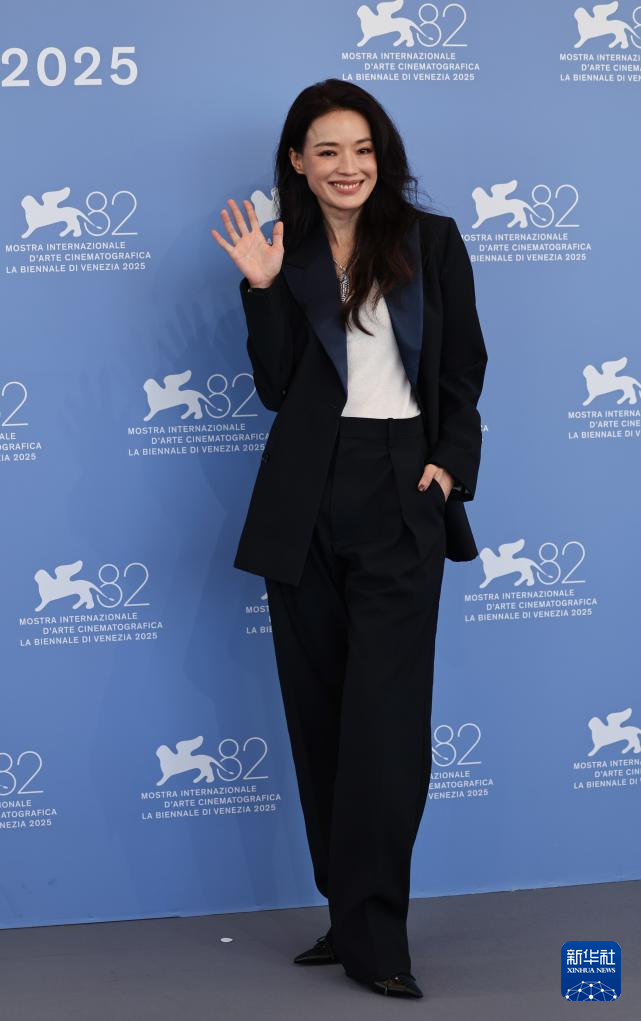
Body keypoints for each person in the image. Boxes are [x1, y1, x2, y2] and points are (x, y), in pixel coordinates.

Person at [211, 78, 488, 1000]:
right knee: (321, 714)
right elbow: (277, 388)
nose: (347, 166)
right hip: (305, 498)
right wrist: (260, 288)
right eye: (326, 150)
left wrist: (446, 465)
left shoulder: (430, 241)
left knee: (386, 724)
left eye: (362, 149)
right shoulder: (280, 252)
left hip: (400, 485)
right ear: (297, 160)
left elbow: (462, 369)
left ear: (381, 156)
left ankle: (378, 935)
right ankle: (347, 911)